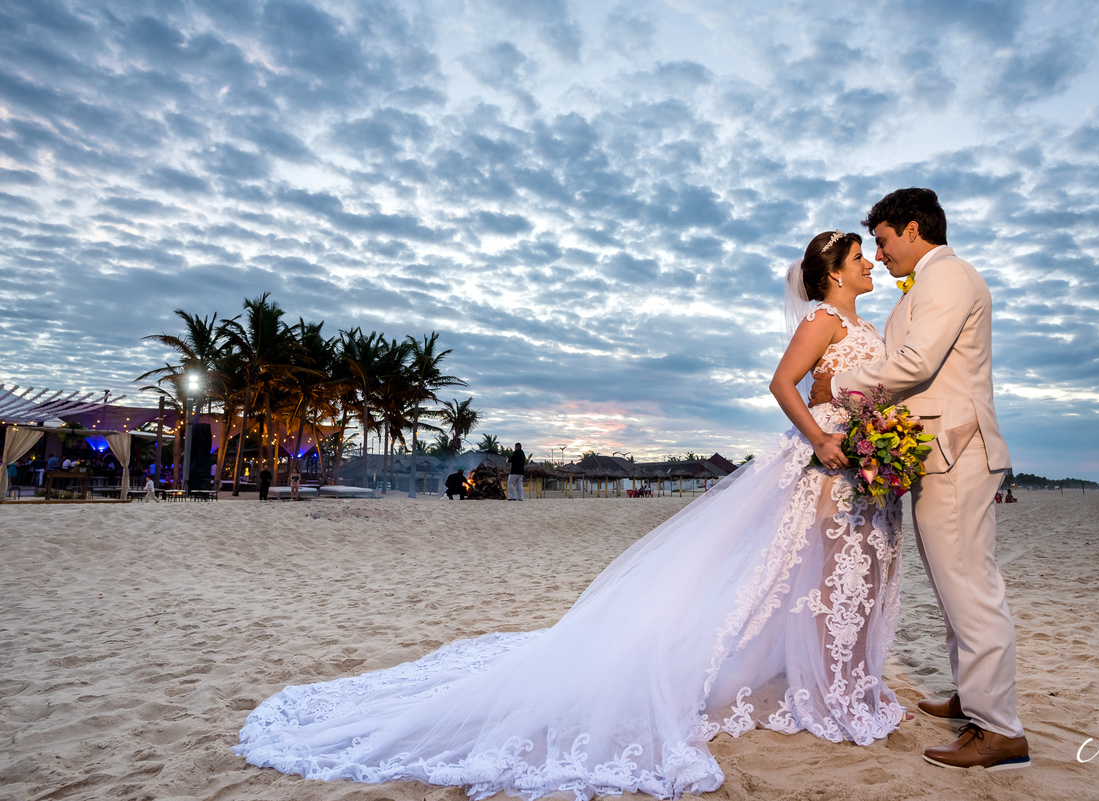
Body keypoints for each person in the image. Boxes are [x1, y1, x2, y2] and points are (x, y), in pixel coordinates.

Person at [234, 230, 910, 798]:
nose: (869, 263)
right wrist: (823, 436)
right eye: (860, 256)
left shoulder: (867, 325)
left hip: (860, 454)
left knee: (826, 574)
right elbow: (780, 383)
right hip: (823, 455)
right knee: (808, 573)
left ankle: (840, 681)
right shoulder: (825, 319)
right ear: (833, 272)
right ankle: (826, 688)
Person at [811, 188, 1029, 771]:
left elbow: (917, 364)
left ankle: (1000, 730)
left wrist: (838, 387)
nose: (878, 255)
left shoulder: (949, 277)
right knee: (952, 583)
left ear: (913, 229)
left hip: (957, 450)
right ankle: (974, 696)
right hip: (934, 451)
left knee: (970, 586)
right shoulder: (929, 284)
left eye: (881, 242)